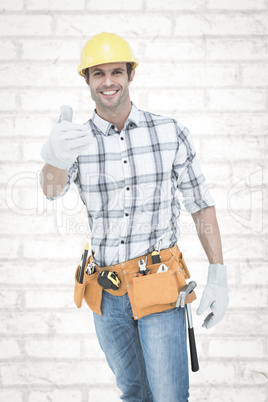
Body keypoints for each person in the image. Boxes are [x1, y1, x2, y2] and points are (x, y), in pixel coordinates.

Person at [40, 32, 229, 402]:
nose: (108, 82)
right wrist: (55, 158)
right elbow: (50, 190)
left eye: (116, 72)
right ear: (87, 80)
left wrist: (218, 275)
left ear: (130, 76)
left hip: (159, 285)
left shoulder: (169, 132)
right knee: (133, 393)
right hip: (107, 291)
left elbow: (200, 203)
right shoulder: (75, 141)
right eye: (98, 74)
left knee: (169, 396)